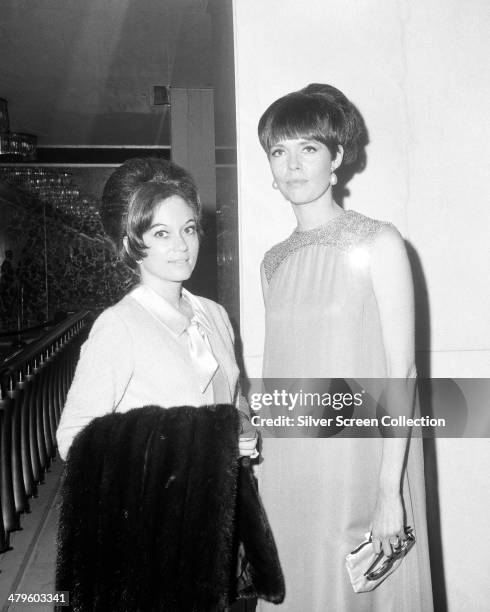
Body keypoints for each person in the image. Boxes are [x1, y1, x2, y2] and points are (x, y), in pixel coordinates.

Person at [256, 85, 433, 610]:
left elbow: (401, 374)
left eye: (308, 148)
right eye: (278, 151)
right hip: (289, 467)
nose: (292, 165)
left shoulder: (379, 242)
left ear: (336, 158)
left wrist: (389, 493)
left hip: (359, 465)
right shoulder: (272, 261)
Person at [56, 156, 257, 461]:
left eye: (188, 229)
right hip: (158, 504)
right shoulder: (120, 326)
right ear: (130, 245)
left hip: (220, 497)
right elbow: (74, 438)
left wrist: (240, 426)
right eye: (161, 233)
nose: (182, 245)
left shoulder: (214, 315)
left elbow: (234, 397)